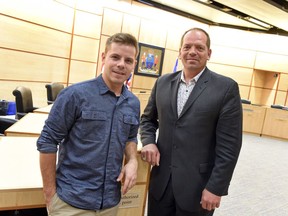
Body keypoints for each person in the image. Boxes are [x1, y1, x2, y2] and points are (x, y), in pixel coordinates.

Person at [140, 27, 242, 216]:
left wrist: (216, 187)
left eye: (199, 47)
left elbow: (229, 146)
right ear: (180, 52)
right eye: (187, 47)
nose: (192, 52)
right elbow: (147, 120)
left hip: (198, 189)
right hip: (160, 184)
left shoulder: (226, 88)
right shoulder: (162, 82)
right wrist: (149, 142)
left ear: (208, 53)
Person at [37, 32, 140, 216]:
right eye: (115, 57)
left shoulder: (133, 103)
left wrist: (132, 160)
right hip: (71, 203)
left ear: (134, 64)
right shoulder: (75, 95)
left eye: (128, 60)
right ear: (103, 57)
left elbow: (130, 137)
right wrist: (50, 196)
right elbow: (47, 141)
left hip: (110, 203)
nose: (121, 64)